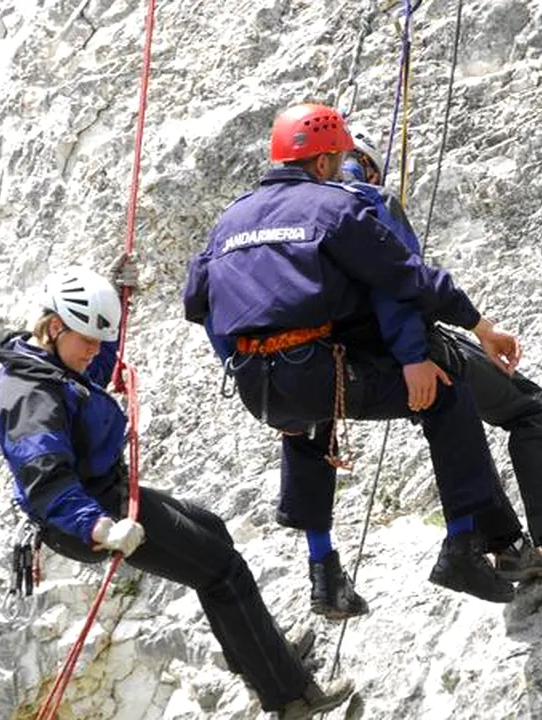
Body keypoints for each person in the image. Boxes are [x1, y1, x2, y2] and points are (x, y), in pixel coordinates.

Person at [183, 102, 519, 618]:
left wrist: (240, 361)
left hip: (258, 383)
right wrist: (478, 326)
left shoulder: (231, 218)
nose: (340, 167)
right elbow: (405, 278)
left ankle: (324, 575)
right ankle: (462, 547)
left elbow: (198, 303)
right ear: (322, 163)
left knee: (309, 425)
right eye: (337, 159)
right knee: (445, 395)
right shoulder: (334, 207)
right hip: (315, 367)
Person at [0, 262, 352, 718]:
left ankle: (262, 658)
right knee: (223, 571)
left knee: (210, 529)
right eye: (87, 340)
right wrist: (100, 528)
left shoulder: (48, 360)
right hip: (86, 514)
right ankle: (291, 698)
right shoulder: (30, 398)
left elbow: (89, 368)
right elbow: (46, 480)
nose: (94, 351)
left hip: (105, 495)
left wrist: (118, 302)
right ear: (55, 327)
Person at [337, 128, 542, 581]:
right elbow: (410, 283)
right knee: (527, 407)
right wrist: (478, 327)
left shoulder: (299, 215)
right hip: (414, 350)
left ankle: (508, 546)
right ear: (368, 165)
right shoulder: (369, 198)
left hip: (352, 366)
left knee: (455, 429)